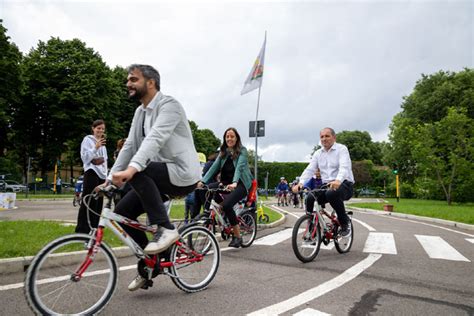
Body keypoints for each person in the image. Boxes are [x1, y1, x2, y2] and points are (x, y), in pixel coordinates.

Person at [105, 64, 201, 291]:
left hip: (182, 172)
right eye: (128, 80)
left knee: (140, 170)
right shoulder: (140, 112)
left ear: (150, 82)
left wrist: (132, 170)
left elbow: (155, 138)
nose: (128, 83)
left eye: (133, 79)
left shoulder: (170, 105)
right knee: (121, 215)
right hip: (157, 175)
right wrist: (110, 179)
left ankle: (165, 228)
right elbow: (129, 146)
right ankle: (152, 264)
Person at [196, 127, 253, 248]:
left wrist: (235, 182)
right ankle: (225, 221)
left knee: (227, 205)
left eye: (232, 136)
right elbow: (213, 168)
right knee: (208, 189)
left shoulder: (242, 151)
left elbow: (239, 168)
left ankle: (237, 236)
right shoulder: (223, 152)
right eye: (227, 136)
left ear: (236, 138)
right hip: (226, 182)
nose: (229, 138)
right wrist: (202, 181)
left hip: (241, 184)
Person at [293, 127, 354, 236]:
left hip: (344, 184)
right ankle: (312, 229)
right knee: (310, 197)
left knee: (332, 193)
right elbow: (310, 169)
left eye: (327, 136)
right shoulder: (318, 153)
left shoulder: (341, 149)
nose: (324, 139)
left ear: (334, 137)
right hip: (326, 185)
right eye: (322, 137)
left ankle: (344, 223)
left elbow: (344, 167)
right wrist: (301, 183)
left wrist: (338, 180)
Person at [75, 119, 108, 234]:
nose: (100, 131)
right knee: (89, 200)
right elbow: (85, 158)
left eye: (102, 129)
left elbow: (105, 160)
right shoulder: (87, 140)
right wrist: (96, 147)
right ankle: (82, 229)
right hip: (91, 172)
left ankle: (94, 228)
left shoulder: (103, 144)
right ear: (93, 128)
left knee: (98, 202)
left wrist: (106, 176)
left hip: (102, 175)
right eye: (98, 128)